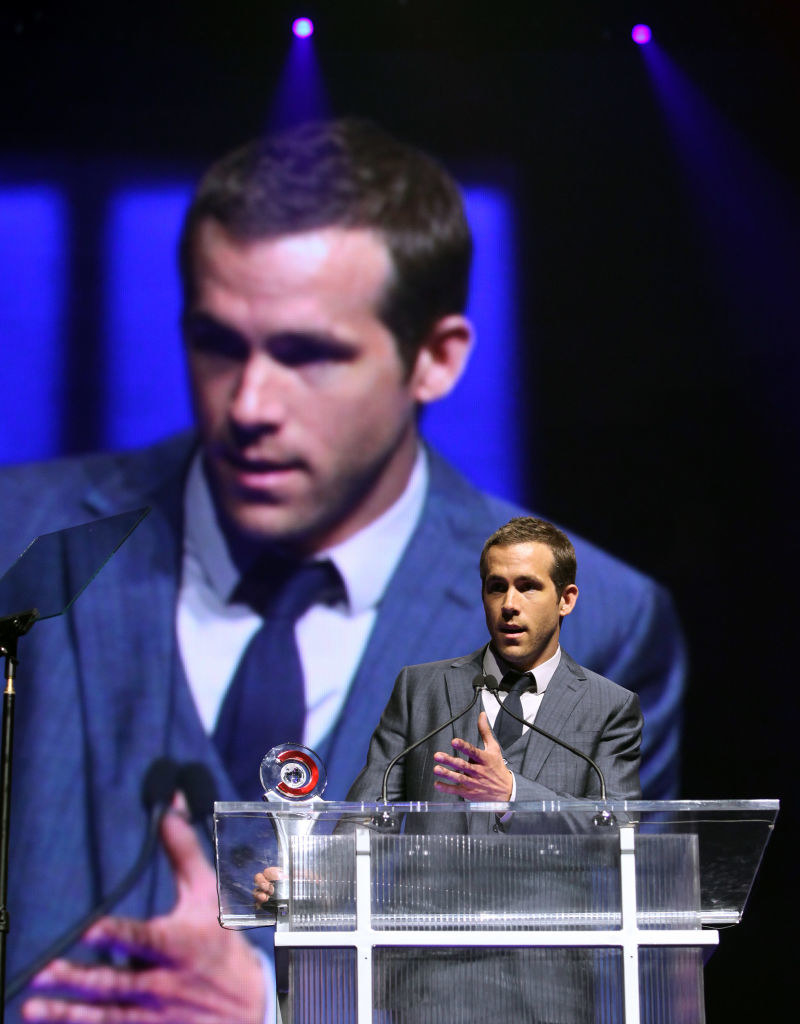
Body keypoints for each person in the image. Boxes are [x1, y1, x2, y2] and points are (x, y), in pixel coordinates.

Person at [0, 118, 681, 1023]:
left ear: (436, 359)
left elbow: (599, 996)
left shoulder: (597, 622)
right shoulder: (19, 537)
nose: (249, 405)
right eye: (217, 344)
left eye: (308, 354)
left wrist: (284, 1010)